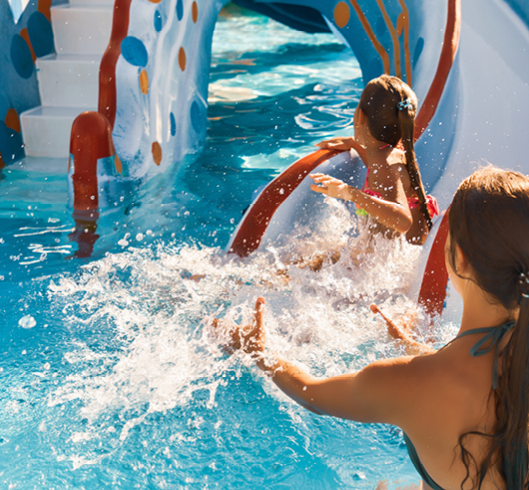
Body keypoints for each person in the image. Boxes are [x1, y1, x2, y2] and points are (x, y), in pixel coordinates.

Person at [213, 166, 529, 490]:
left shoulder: (407, 382)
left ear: (459, 259)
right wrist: (417, 350)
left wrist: (259, 350)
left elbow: (311, 394)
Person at [310, 74, 438, 246]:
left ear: (360, 116)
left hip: (390, 266)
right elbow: (379, 172)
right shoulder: (390, 156)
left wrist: (351, 193)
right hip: (397, 259)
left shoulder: (385, 163)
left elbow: (403, 221)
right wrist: (354, 144)